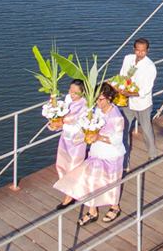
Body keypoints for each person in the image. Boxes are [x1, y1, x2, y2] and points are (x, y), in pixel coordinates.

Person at [54, 83, 126, 224]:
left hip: (112, 154)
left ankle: (114, 207)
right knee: (91, 181)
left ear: (109, 98)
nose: (98, 103)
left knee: (111, 182)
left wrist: (99, 137)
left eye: (101, 100)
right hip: (96, 152)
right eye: (97, 100)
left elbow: (117, 140)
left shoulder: (116, 117)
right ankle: (92, 211)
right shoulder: (96, 111)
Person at [119, 38, 157, 163]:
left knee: (146, 130)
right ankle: (124, 157)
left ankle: (152, 154)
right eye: (138, 50)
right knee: (124, 129)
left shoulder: (150, 67)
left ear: (147, 50)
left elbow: (145, 90)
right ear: (134, 49)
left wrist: (130, 93)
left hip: (142, 104)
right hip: (127, 101)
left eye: (143, 51)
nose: (140, 53)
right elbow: (122, 75)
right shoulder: (127, 59)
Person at [56, 79, 88, 179]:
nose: (71, 94)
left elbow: (71, 118)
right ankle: (64, 181)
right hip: (65, 136)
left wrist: (58, 118)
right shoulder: (68, 99)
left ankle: (72, 188)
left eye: (75, 92)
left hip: (76, 138)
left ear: (82, 92)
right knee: (62, 161)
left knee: (74, 164)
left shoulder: (85, 104)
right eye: (70, 90)